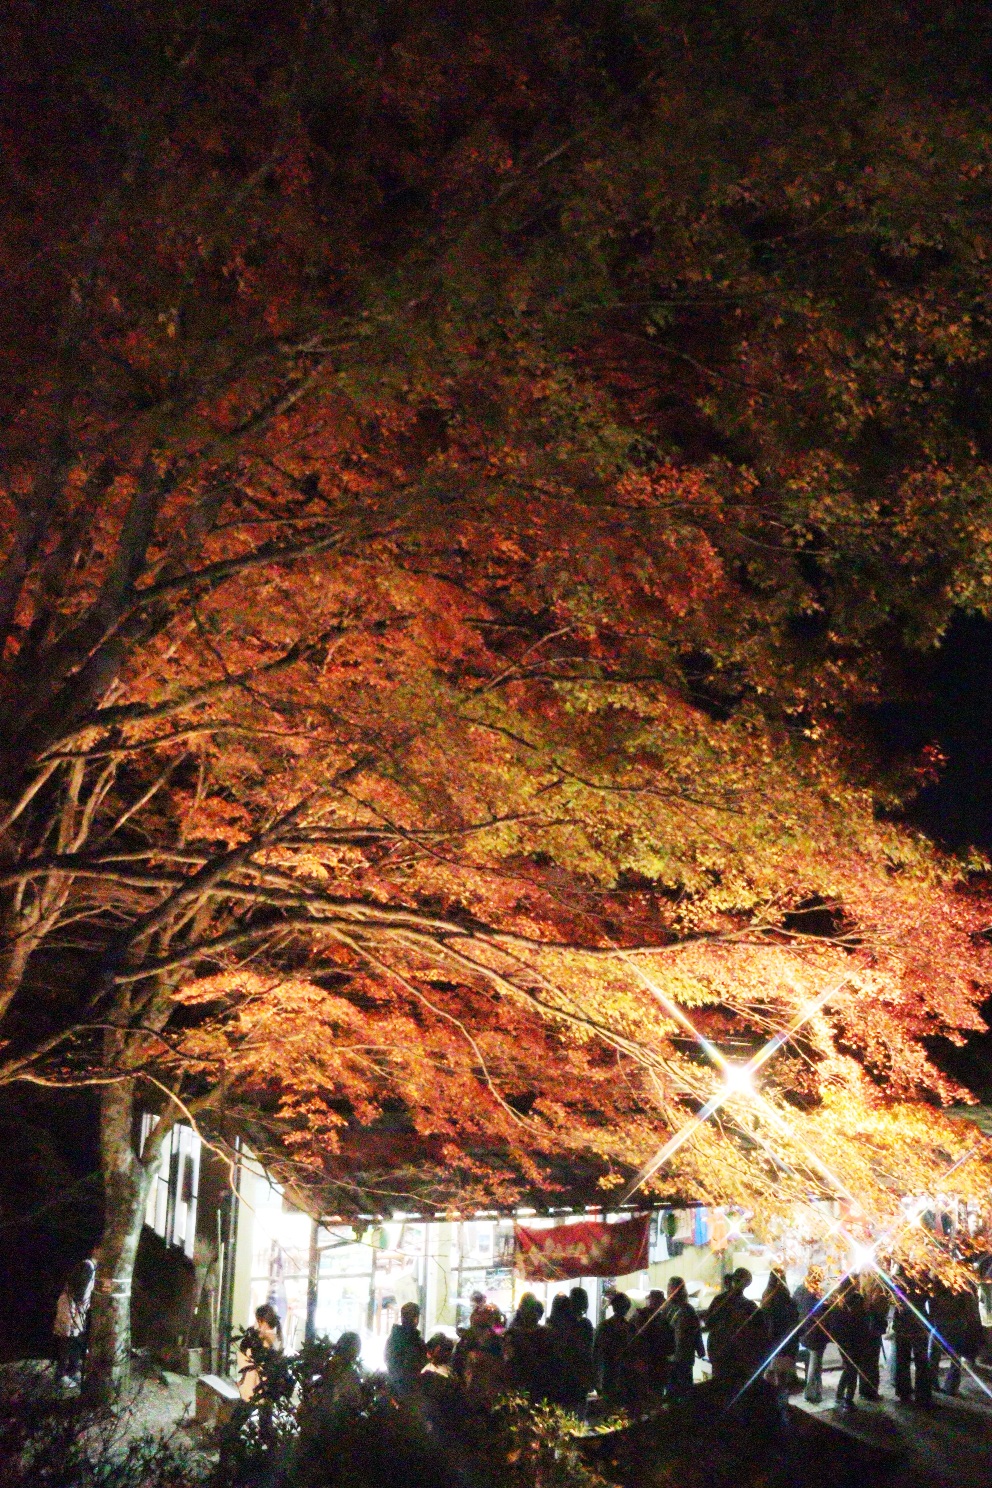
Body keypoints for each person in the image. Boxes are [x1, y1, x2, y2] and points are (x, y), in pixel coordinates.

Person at [929, 1280, 983, 1396]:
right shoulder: (961, 1283)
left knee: (937, 1355)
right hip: (952, 1323)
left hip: (945, 1322)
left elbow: (932, 1301)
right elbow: (970, 1307)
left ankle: (934, 1383)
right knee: (953, 1357)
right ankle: (949, 1387)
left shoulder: (942, 1281)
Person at [546, 1293, 592, 1413]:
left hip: (558, 1380)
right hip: (573, 1380)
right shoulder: (580, 1326)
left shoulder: (548, 1329)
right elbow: (586, 1354)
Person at [761, 1267, 800, 1408]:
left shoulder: (766, 1298)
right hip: (787, 1345)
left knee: (770, 1376)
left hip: (771, 1345)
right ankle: (781, 1406)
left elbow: (765, 1323)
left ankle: (770, 1406)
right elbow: (795, 1323)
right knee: (782, 1380)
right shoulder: (788, 1301)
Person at [892, 1269, 933, 1406]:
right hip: (918, 1327)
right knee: (921, 1361)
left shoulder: (897, 1282)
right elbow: (930, 1297)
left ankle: (904, 1392)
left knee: (902, 1360)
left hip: (902, 1326)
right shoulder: (922, 1282)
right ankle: (923, 1394)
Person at [53, 1258, 96, 1382]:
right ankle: (60, 1375)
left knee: (77, 1339)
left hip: (78, 1309)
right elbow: (76, 1290)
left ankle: (73, 1370)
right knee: (66, 1339)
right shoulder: (86, 1266)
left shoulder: (93, 1269)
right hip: (70, 1307)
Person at [236, 1303, 290, 1401]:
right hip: (271, 1386)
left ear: (262, 1321)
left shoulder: (261, 1340)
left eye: (257, 1320)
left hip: (258, 1386)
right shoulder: (279, 1337)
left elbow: (252, 1364)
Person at [504, 1292, 552, 1401]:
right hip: (535, 1384)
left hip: (524, 1384)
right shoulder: (545, 1333)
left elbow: (507, 1360)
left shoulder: (513, 1333)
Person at [664, 1277, 704, 1404]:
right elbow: (696, 1331)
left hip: (670, 1356)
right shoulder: (688, 1309)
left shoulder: (666, 1309)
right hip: (684, 1356)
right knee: (685, 1390)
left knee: (672, 1390)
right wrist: (700, 1350)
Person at [832, 1278, 870, 1412]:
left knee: (848, 1367)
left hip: (842, 1339)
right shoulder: (856, 1298)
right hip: (855, 1338)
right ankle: (848, 1399)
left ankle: (840, 1394)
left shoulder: (837, 1299)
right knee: (853, 1369)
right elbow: (861, 1318)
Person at [593, 1290, 635, 1409]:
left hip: (618, 1374)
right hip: (613, 1373)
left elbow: (597, 1352)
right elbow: (598, 1352)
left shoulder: (607, 1325)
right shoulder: (626, 1327)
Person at [631, 1288, 673, 1404]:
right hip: (653, 1366)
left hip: (646, 1366)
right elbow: (670, 1347)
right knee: (653, 1401)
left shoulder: (638, 1316)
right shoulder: (661, 1321)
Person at [796, 1268, 829, 1404]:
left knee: (815, 1362)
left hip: (805, 1331)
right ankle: (810, 1392)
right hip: (814, 1332)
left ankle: (816, 1389)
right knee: (815, 1363)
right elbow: (818, 1313)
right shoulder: (813, 1293)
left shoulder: (800, 1290)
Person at [858, 1271, 890, 1401]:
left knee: (865, 1362)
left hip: (863, 1330)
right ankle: (871, 1391)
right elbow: (880, 1308)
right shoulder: (878, 1291)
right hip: (873, 1330)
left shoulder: (861, 1290)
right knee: (872, 1362)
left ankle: (864, 1389)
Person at [386, 1301, 427, 1397]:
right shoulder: (415, 1341)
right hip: (410, 1392)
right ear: (416, 1319)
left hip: (394, 1389)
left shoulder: (393, 1338)